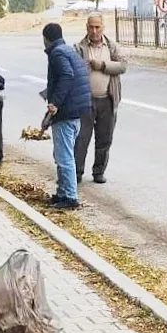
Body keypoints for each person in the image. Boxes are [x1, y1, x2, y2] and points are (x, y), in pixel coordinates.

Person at [73, 12, 127, 185]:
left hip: (107, 100)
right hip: (86, 101)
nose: (94, 31)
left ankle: (98, 172)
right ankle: (77, 172)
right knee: (82, 138)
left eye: (97, 27)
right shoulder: (79, 47)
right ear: (86, 27)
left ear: (103, 27)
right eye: (91, 27)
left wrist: (103, 65)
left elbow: (122, 66)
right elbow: (72, 69)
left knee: (104, 139)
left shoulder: (111, 46)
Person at [42, 23, 91, 210]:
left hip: (67, 112)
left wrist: (55, 103)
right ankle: (62, 193)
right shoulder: (69, 50)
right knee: (62, 154)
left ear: (45, 38)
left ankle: (70, 197)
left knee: (64, 157)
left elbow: (67, 76)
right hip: (77, 110)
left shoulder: (57, 53)